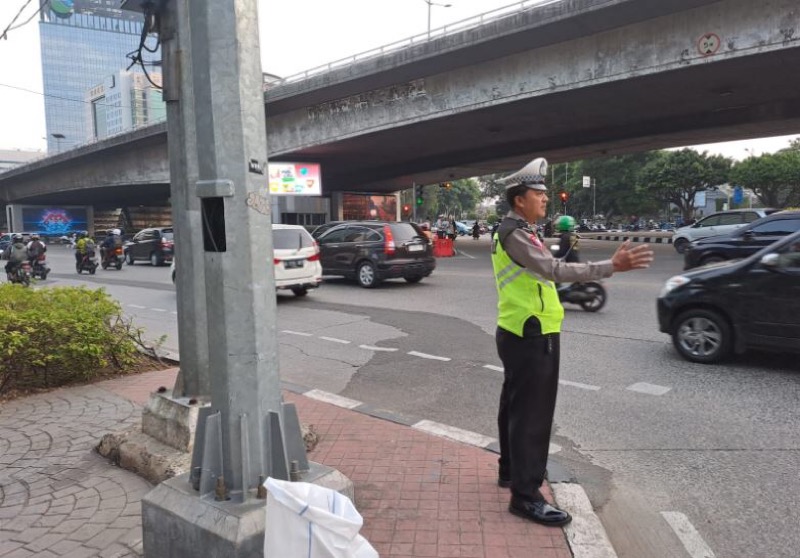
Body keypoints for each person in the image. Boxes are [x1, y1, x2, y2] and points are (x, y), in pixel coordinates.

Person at [491, 157, 653, 527]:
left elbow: (547, 266)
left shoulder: (520, 229)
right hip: (532, 334)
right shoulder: (515, 232)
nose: (545, 200)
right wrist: (611, 267)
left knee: (514, 407)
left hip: (519, 329)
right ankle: (526, 496)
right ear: (520, 199)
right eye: (538, 194)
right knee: (533, 416)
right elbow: (554, 271)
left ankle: (510, 471)